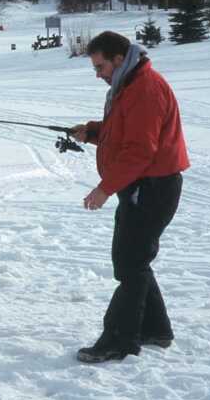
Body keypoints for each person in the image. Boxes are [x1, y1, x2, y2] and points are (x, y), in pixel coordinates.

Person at [70, 31, 190, 363]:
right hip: (142, 185)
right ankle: (156, 329)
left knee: (130, 262)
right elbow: (126, 132)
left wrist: (105, 188)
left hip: (152, 187)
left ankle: (118, 340)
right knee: (132, 260)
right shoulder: (129, 85)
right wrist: (93, 132)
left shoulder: (144, 89)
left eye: (100, 67)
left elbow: (139, 151)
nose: (98, 74)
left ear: (119, 59)